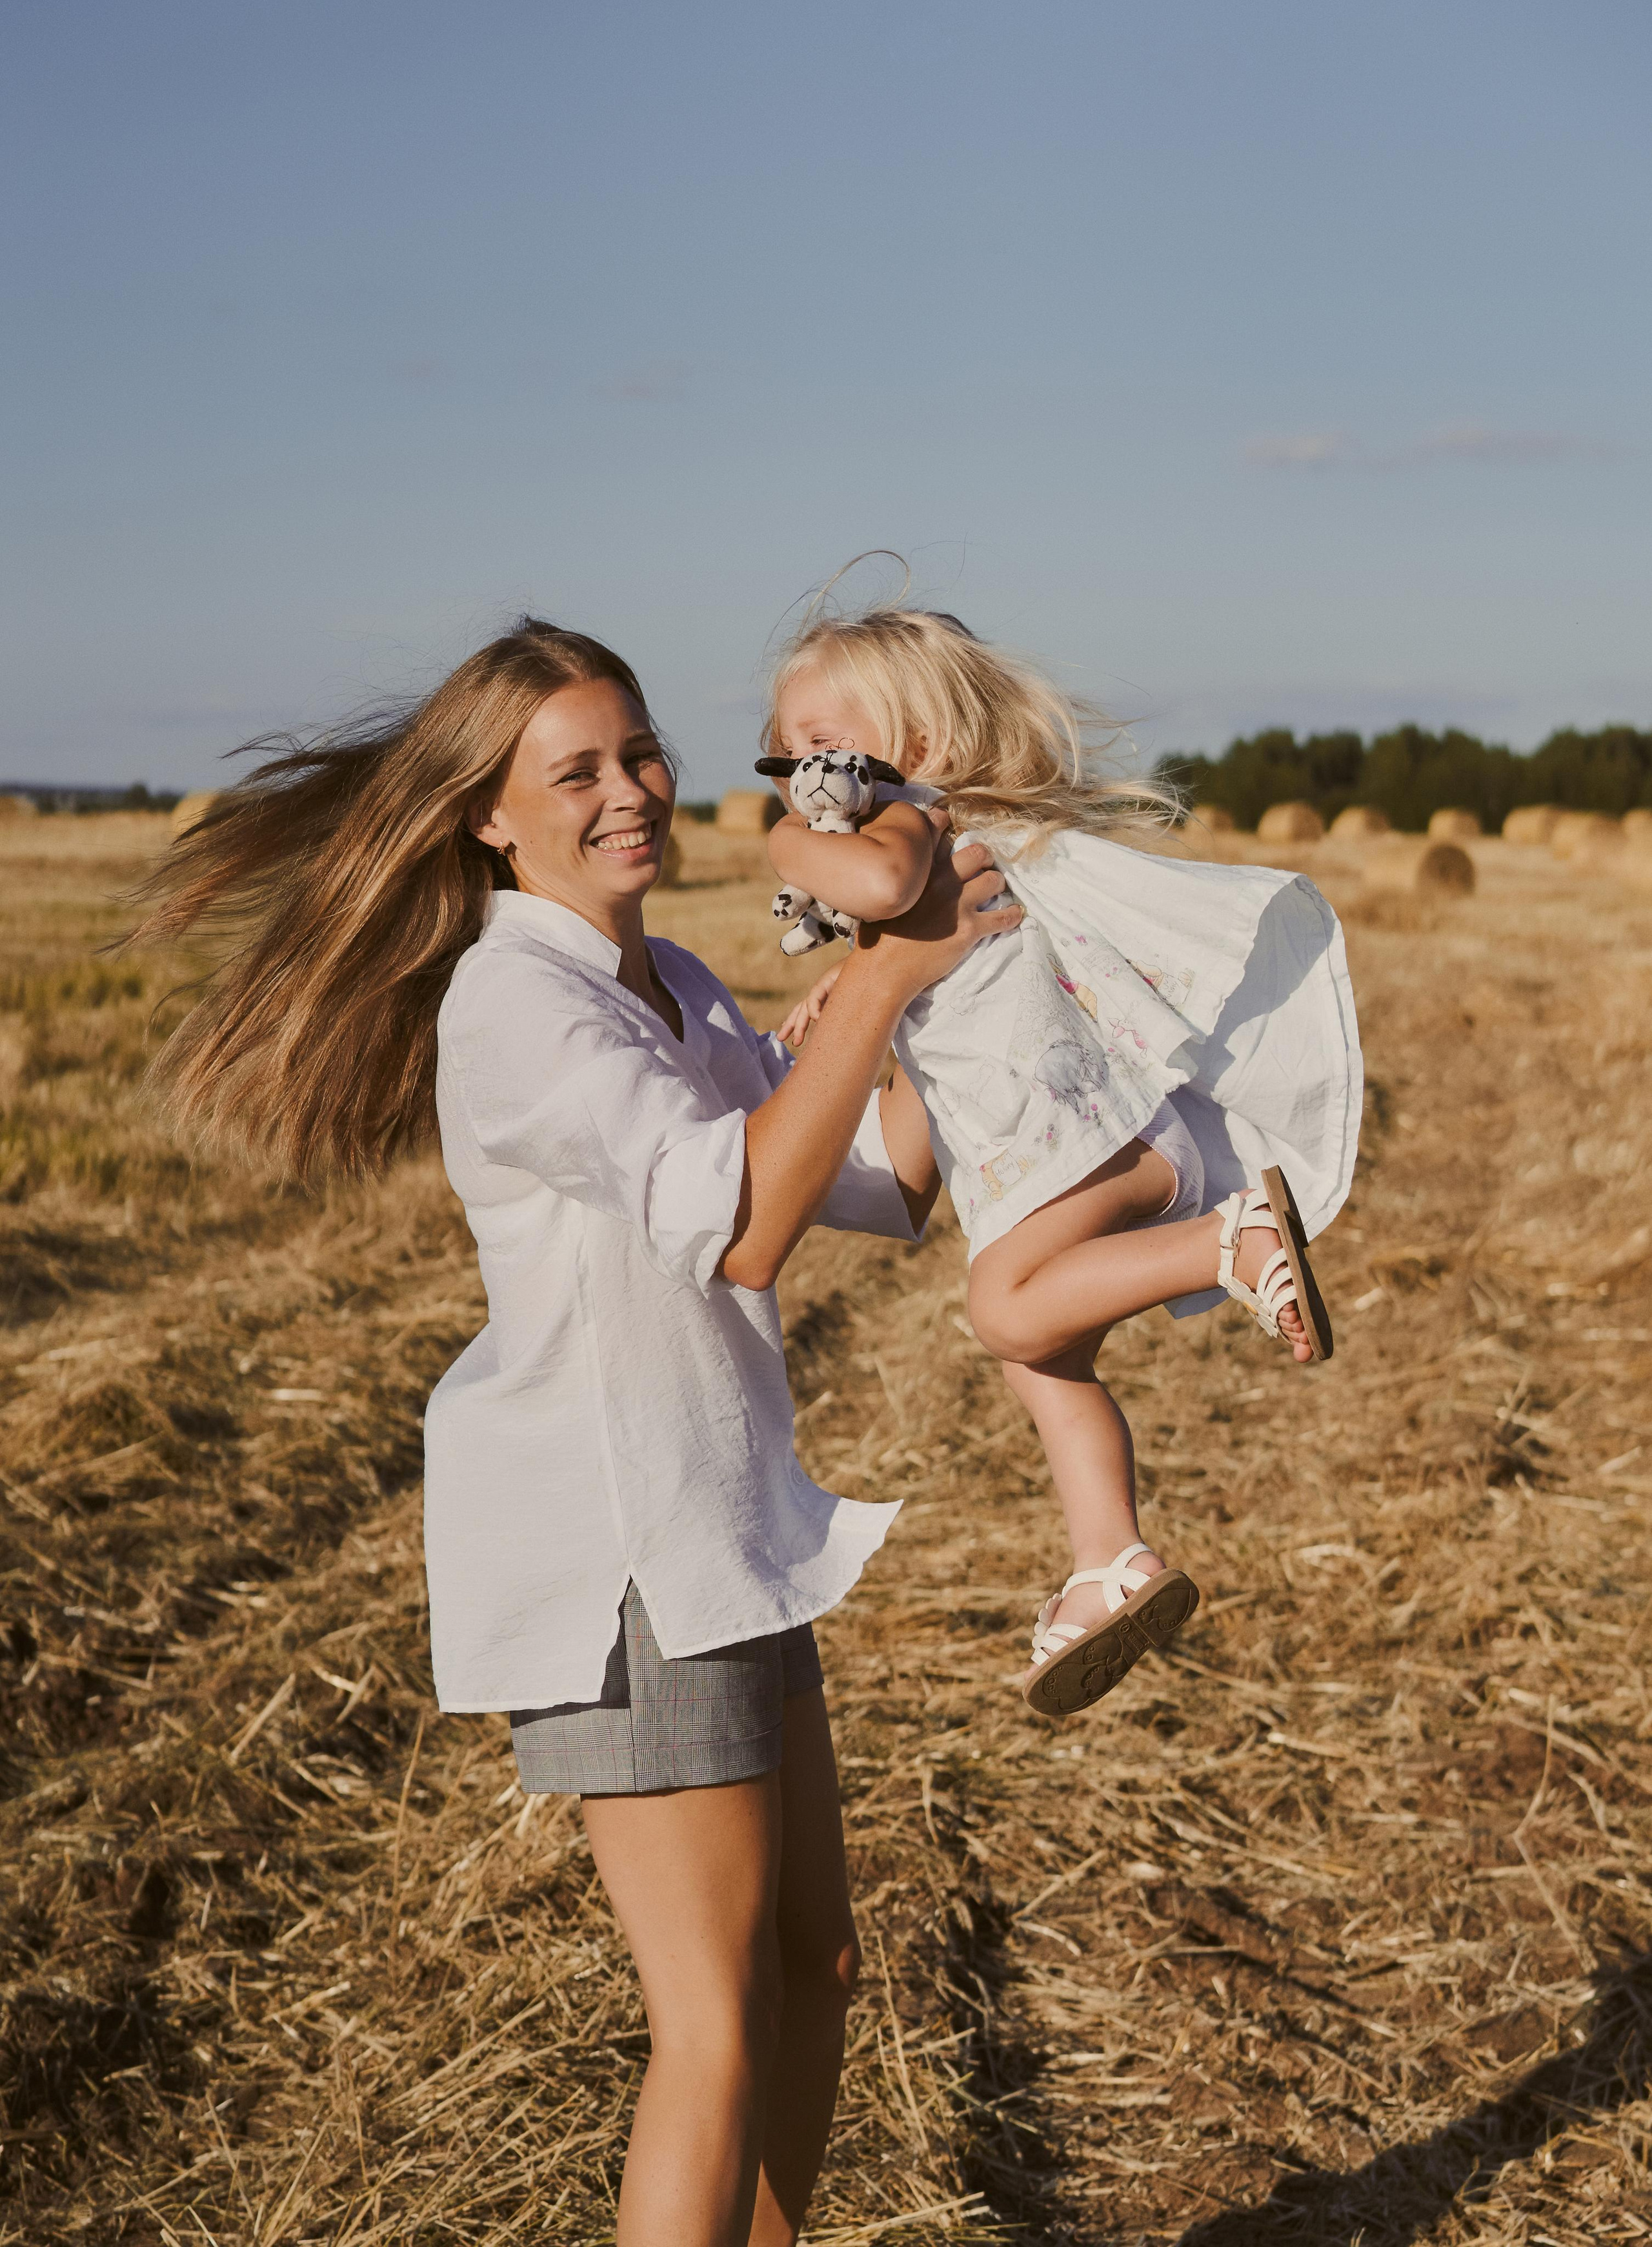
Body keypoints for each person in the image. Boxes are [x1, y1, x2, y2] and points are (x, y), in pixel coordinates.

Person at [131, 617, 1020, 2247]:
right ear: (489, 814)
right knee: (711, 2021)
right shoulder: (513, 1007)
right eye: (579, 771)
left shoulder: (664, 979)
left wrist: (955, 962)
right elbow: (743, 1223)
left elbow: (871, 1173)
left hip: (724, 1523)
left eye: (641, 753)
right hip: (626, 1562)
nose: (634, 792)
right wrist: (891, 969)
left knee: (813, 1964)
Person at [758, 602, 1362, 1718]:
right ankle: (1111, 1562)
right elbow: (907, 962)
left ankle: (1227, 1241)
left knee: (1004, 1308)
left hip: (1083, 1135)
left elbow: (886, 889)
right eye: (783, 749)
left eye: (819, 746)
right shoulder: (925, 847)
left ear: (919, 748)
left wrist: (779, 842)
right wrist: (849, 993)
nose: (796, 770)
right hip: (1054, 1148)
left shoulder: (911, 825)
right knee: (1047, 1364)